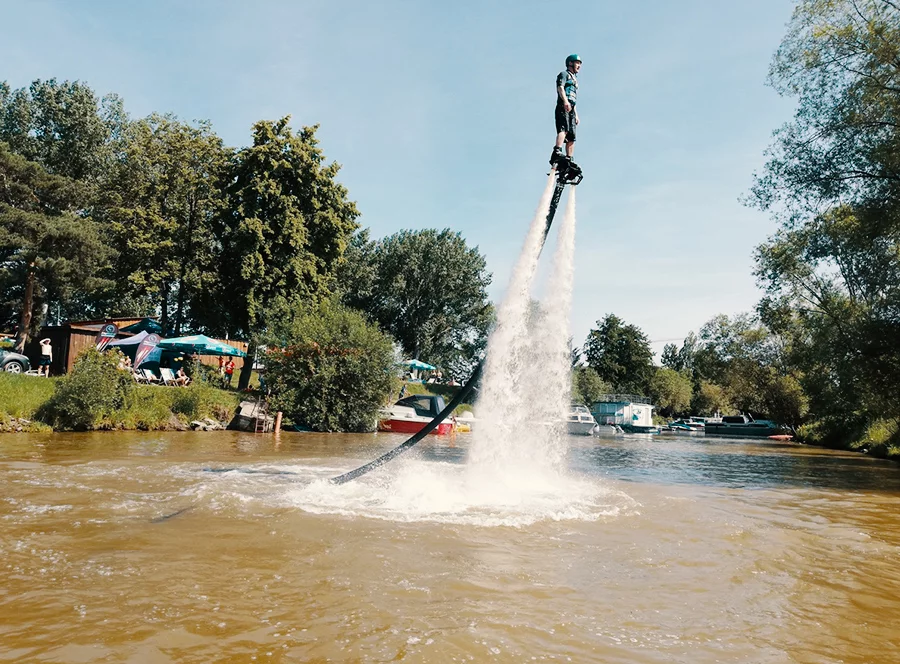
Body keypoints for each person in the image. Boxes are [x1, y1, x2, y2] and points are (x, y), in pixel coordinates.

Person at [550, 54, 582, 168]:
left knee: (572, 136)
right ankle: (557, 151)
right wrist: (565, 101)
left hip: (572, 108)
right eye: (577, 63)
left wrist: (576, 115)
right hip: (563, 106)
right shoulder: (564, 74)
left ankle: (569, 159)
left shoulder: (575, 80)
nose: (579, 66)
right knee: (564, 129)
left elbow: (574, 100)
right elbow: (560, 88)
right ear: (570, 63)